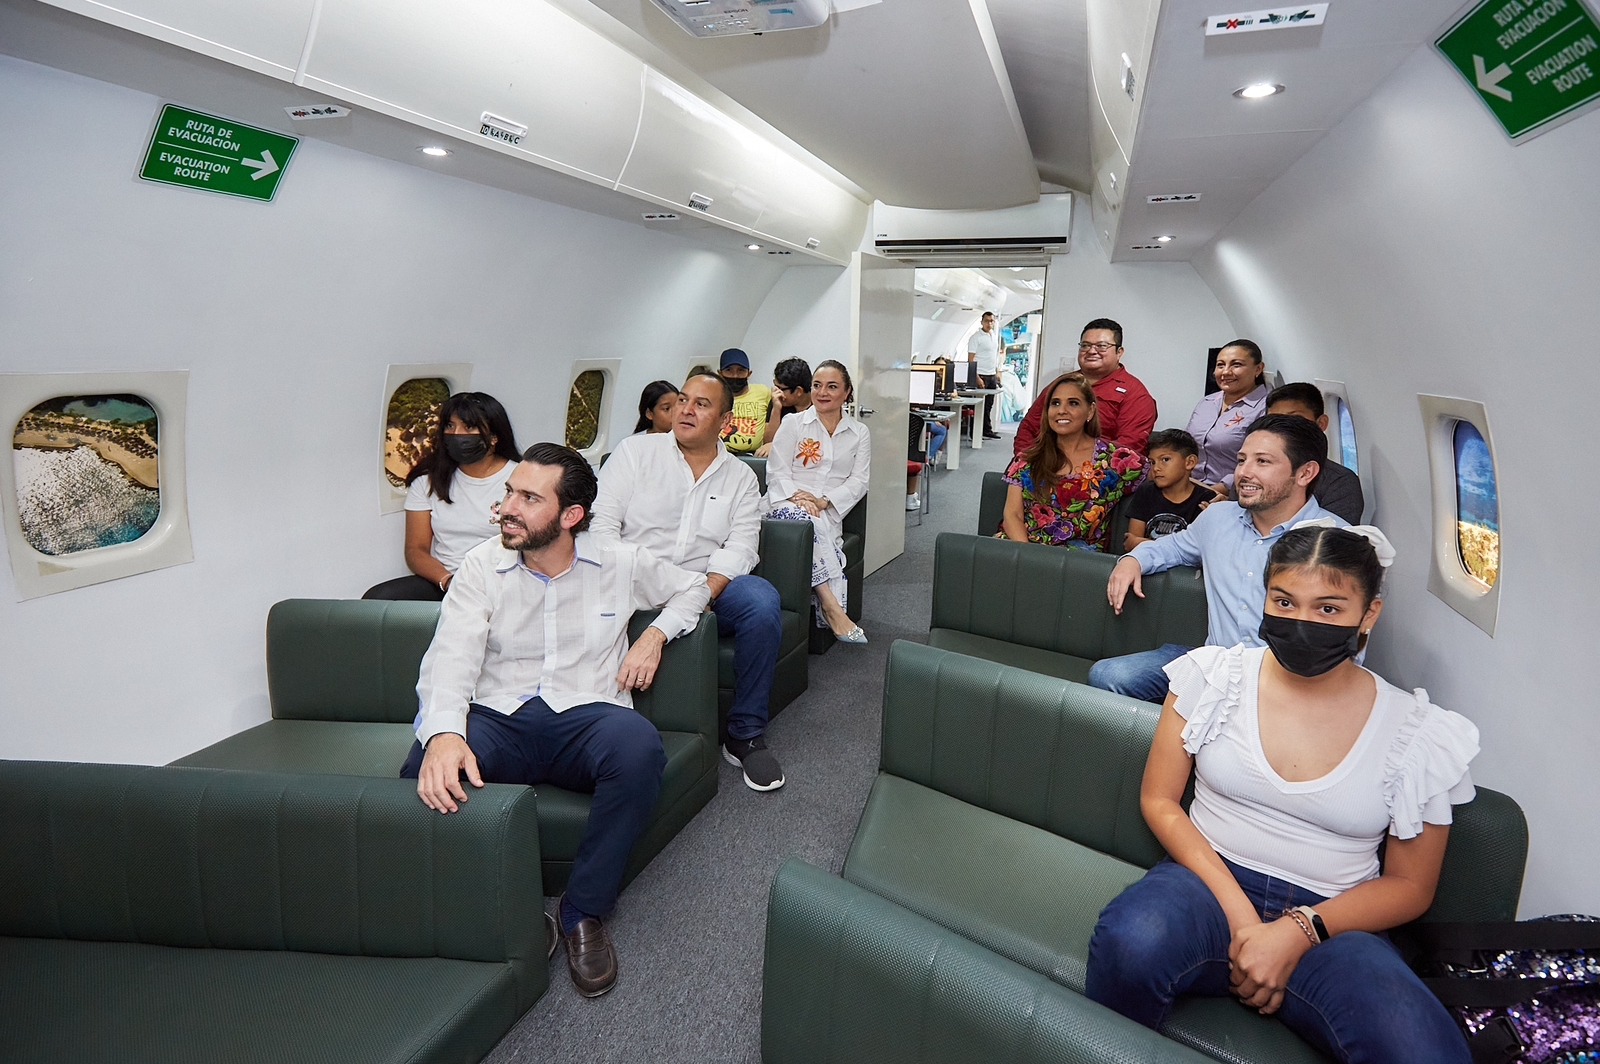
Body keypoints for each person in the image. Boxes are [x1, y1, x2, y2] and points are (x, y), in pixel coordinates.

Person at [1086, 525, 1477, 1064]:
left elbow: (1410, 885)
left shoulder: (1418, 732)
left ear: (1369, 615)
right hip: (1209, 883)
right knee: (1131, 943)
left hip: (1334, 918)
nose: (1302, 621)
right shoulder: (1212, 677)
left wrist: (1298, 932)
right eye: (1285, 601)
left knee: (1418, 1046)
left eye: (1329, 608)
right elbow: (1159, 800)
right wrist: (1245, 921)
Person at [402, 443, 709, 998]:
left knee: (639, 748)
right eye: (508, 494)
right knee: (424, 768)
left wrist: (654, 635)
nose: (507, 508)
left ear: (571, 516)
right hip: (501, 714)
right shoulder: (481, 566)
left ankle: (582, 911)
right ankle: (514, 913)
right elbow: (451, 655)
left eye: (527, 498)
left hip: (586, 714)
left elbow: (694, 586)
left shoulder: (619, 561)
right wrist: (445, 733)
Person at [591, 369, 786, 793]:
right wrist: (648, 580)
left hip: (706, 584)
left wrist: (704, 591)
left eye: (702, 404)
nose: (686, 410)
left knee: (760, 601)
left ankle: (745, 734)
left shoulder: (741, 477)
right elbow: (602, 529)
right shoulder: (634, 453)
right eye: (682, 399)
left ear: (725, 421)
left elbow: (741, 548)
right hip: (634, 579)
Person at [1088, 414, 1346, 703]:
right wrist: (1131, 561)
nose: (1244, 473)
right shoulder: (1218, 518)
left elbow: (1345, 646)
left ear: (1305, 473)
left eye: (1262, 461)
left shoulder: (1337, 541)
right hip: (1215, 665)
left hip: (1286, 680)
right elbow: (1172, 547)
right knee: (1108, 676)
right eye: (1241, 460)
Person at [366, 392, 522, 602]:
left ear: (494, 436)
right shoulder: (427, 482)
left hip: (503, 580)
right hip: (447, 581)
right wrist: (449, 582)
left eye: (469, 427)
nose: (456, 434)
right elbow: (416, 550)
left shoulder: (522, 478)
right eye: (450, 426)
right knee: (378, 598)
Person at [766, 360, 871, 643]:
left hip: (827, 511)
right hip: (785, 503)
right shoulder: (794, 423)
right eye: (817, 385)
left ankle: (831, 609)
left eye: (832, 386)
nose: (822, 393)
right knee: (806, 521)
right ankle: (831, 606)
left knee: (815, 523)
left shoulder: (859, 433)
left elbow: (859, 481)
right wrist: (799, 499)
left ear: (847, 392)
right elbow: (776, 471)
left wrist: (824, 501)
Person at [1001, 373, 1146, 550]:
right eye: (1055, 403)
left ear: (1090, 411)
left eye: (1073, 403)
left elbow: (1163, 475)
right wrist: (1029, 557)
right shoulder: (1027, 458)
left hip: (1078, 560)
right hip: (1023, 549)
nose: (1061, 410)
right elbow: (1012, 515)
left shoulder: (1115, 459)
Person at [1014, 318, 1158, 456]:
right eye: (1085, 345)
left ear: (1119, 352)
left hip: (1099, 469)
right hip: (1047, 464)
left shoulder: (1135, 394)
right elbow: (1029, 428)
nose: (1092, 351)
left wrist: (1082, 468)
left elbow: (1127, 448)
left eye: (1102, 346)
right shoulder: (1063, 384)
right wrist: (1025, 464)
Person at [1265, 383, 1365, 524]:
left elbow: (1333, 535)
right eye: (1274, 421)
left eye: (1296, 419)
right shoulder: (1252, 472)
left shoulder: (1339, 482)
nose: (1284, 428)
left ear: (1321, 423)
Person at [1187, 340, 1271, 495]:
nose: (1225, 372)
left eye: (1236, 365)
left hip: (1234, 493)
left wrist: (1217, 490)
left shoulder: (1265, 408)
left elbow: (1261, 462)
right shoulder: (1207, 402)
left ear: (1258, 369)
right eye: (1220, 365)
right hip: (1189, 486)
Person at [1122, 429, 1207, 550]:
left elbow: (1195, 551)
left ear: (1190, 462)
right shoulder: (1146, 491)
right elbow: (1132, 543)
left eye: (1165, 459)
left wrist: (1144, 543)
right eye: (1152, 462)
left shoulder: (1205, 500)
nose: (1156, 468)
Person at [717, 348, 771, 454]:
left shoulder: (763, 392)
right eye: (729, 370)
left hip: (755, 456)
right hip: (719, 454)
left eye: (741, 370)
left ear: (749, 373)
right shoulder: (713, 395)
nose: (735, 376)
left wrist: (772, 443)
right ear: (720, 373)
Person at [756, 357, 812, 458]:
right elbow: (768, 441)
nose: (775, 391)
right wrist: (776, 408)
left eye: (780, 388)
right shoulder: (778, 400)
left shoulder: (819, 405)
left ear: (798, 391)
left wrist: (778, 445)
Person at [968, 311, 1004, 440]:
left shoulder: (993, 336)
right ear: (982, 322)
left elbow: (993, 357)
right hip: (981, 374)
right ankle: (975, 433)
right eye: (987, 321)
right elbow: (971, 360)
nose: (989, 323)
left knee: (988, 405)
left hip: (991, 374)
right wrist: (976, 377)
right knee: (978, 405)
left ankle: (986, 430)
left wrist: (997, 371)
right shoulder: (976, 337)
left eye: (991, 321)